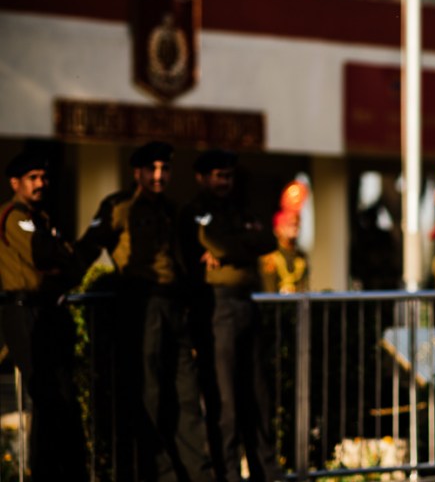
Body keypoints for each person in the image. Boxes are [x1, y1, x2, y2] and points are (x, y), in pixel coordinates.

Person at [77, 141, 214, 482]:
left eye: (165, 168)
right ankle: (153, 474)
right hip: (139, 304)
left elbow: (185, 260)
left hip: (173, 306)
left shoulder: (172, 208)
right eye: (151, 169)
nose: (159, 175)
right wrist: (58, 284)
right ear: (136, 172)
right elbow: (88, 248)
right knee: (147, 397)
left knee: (185, 396)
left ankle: (197, 474)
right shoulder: (119, 206)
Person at [180, 149, 284, 482]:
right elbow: (217, 244)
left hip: (245, 304)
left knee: (257, 395)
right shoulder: (195, 212)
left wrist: (229, 249)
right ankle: (227, 474)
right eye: (217, 176)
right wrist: (238, 245)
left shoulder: (239, 208)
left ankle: (265, 471)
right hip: (216, 309)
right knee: (224, 403)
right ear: (201, 178)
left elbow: (267, 240)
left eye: (228, 175)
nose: (224, 182)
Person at [0, 150, 89, 482]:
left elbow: (72, 266)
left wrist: (62, 258)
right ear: (15, 182)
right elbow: (41, 256)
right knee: (49, 397)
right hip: (23, 312)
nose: (41, 184)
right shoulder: (14, 215)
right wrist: (61, 255)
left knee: (58, 400)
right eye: (32, 178)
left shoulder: (42, 218)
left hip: (47, 311)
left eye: (43, 177)